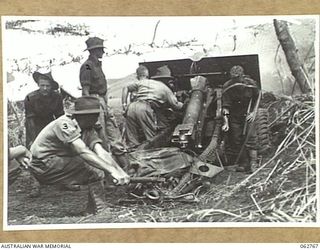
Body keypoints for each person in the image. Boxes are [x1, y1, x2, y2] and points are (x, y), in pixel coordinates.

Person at [28, 96, 130, 214]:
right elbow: (82, 151)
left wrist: (120, 171)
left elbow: (101, 152)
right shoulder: (65, 123)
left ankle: (92, 209)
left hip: (56, 161)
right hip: (42, 164)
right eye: (94, 115)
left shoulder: (88, 129)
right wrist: (112, 171)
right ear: (84, 116)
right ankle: (101, 209)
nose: (96, 118)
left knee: (97, 167)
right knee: (95, 170)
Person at [79, 37, 128, 168]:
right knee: (102, 136)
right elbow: (85, 91)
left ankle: (125, 166)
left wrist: (106, 105)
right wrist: (92, 112)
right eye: (101, 50)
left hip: (103, 101)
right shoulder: (87, 66)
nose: (103, 52)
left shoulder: (97, 65)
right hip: (94, 102)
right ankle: (109, 171)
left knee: (113, 131)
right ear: (95, 51)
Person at [122, 65, 184, 148]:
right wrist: (185, 104)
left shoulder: (144, 82)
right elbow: (176, 106)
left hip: (131, 107)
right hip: (145, 108)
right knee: (152, 139)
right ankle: (152, 155)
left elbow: (125, 88)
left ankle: (134, 154)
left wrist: (124, 104)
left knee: (131, 139)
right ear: (167, 80)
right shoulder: (165, 88)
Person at [221, 65, 260, 174]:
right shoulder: (227, 86)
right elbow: (225, 106)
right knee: (236, 139)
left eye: (237, 77)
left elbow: (258, 98)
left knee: (251, 137)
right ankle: (244, 163)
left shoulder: (251, 84)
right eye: (233, 78)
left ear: (242, 76)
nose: (236, 81)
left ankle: (254, 163)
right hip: (234, 116)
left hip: (248, 114)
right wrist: (226, 122)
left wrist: (253, 112)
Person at [24, 71, 64, 149]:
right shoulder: (30, 98)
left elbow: (60, 117)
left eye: (47, 86)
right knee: (35, 149)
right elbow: (30, 120)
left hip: (50, 124)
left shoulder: (57, 97)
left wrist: (64, 131)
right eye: (42, 85)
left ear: (51, 86)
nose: (45, 88)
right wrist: (33, 139)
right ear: (38, 85)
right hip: (34, 126)